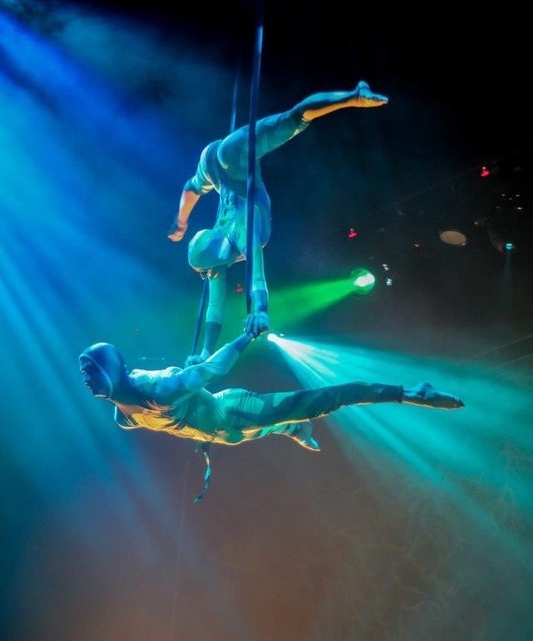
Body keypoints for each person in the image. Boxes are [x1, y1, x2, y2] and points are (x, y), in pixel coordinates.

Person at [79, 332, 465, 499]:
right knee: (251, 433)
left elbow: (212, 370)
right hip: (224, 434)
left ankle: (411, 392)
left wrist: (246, 336)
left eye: (90, 369)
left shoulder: (160, 390)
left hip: (234, 409)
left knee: (324, 399)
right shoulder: (123, 417)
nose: (85, 378)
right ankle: (292, 427)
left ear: (111, 367)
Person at [167, 81, 389, 366]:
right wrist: (204, 353)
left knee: (294, 119)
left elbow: (256, 276)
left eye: (207, 272)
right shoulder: (216, 257)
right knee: (197, 183)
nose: (210, 277)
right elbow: (214, 304)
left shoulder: (243, 231)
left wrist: (261, 310)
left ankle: (353, 96)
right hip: (213, 165)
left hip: (233, 156)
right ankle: (180, 220)